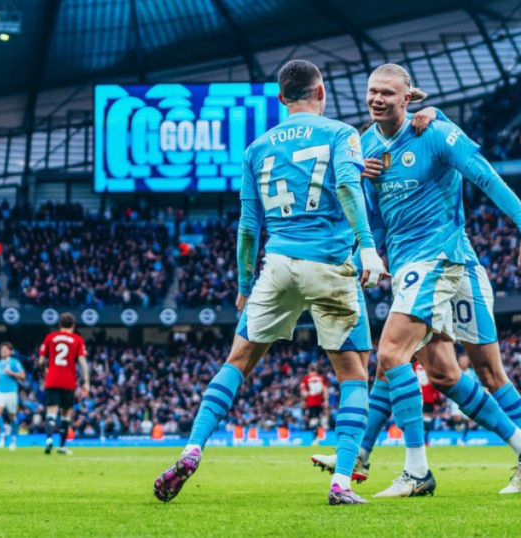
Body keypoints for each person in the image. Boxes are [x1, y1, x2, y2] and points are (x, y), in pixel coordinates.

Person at [153, 59, 386, 506]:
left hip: (276, 264)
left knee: (237, 360)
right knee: (355, 375)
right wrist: (368, 246)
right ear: (321, 93)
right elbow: (348, 189)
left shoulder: (256, 148)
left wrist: (243, 285)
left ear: (281, 98)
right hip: (330, 264)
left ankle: (191, 448)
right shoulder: (341, 134)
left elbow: (246, 227)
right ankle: (340, 481)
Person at [358, 63, 521, 497]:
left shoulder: (435, 132)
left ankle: (405, 467)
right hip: (416, 267)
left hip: (445, 261)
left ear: (409, 97)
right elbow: (377, 216)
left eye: (388, 92)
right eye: (373, 91)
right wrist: (370, 251)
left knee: (473, 368)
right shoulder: (366, 146)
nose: (377, 98)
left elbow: (484, 175)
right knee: (442, 374)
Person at [38, 313, 90, 456]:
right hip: (68, 381)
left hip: (52, 380)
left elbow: (40, 362)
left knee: (51, 413)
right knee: (66, 414)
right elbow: (82, 362)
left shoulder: (50, 337)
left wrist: (45, 373)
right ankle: (61, 446)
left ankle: (49, 440)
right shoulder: (77, 339)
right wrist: (86, 382)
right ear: (73, 325)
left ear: (60, 324)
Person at [0, 342, 26, 450]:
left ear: (9, 351)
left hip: (11, 391)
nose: (3, 351)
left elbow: (23, 375)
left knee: (12, 416)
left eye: (5, 349)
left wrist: (12, 373)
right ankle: (2, 434)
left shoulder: (14, 362)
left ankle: (13, 439)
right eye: (1, 350)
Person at [301, 363, 329, 440]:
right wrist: (326, 400)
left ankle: (315, 436)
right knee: (320, 418)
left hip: (311, 402)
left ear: (309, 370)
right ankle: (322, 434)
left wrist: (303, 401)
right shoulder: (321, 378)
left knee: (313, 419)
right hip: (320, 402)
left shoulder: (306, 379)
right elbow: (325, 390)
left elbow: (303, 391)